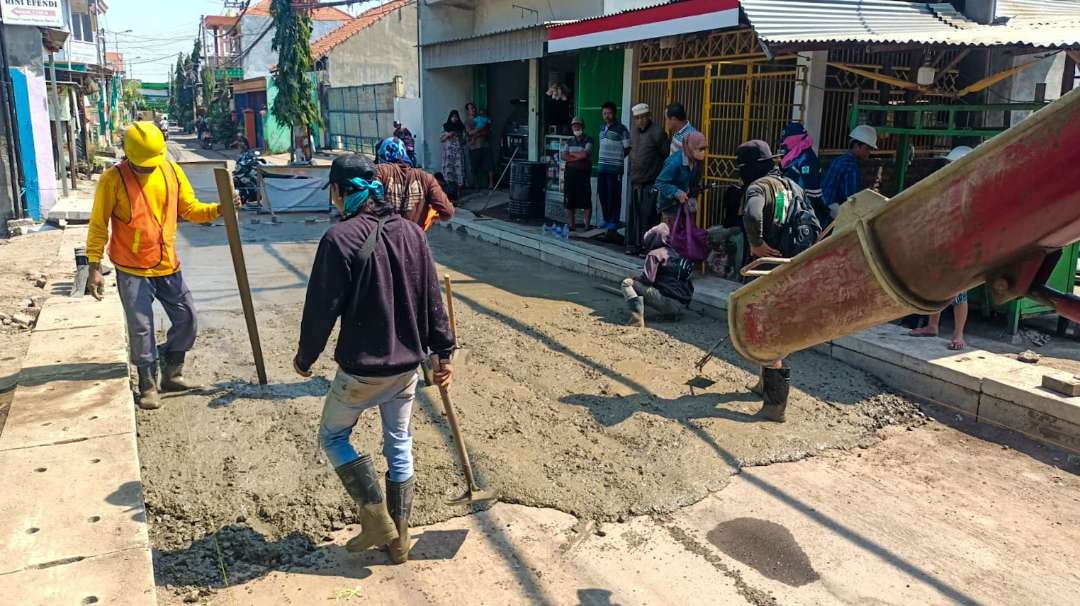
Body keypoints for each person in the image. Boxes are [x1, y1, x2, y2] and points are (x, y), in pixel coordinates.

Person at [294, 153, 456, 564]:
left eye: (333, 192)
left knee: (332, 437)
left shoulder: (339, 239)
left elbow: (321, 308)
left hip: (361, 369)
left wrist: (305, 358)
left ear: (341, 192)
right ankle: (398, 540)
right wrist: (444, 352)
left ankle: (376, 518)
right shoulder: (413, 234)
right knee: (399, 444)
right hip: (406, 369)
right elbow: (431, 298)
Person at [86, 122, 238, 410]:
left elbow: (190, 209)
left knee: (188, 318)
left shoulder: (171, 171)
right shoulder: (112, 179)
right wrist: (95, 266)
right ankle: (146, 383)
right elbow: (98, 225)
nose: (147, 169)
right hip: (131, 267)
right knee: (141, 326)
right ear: (128, 155)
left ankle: (171, 371)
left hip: (167, 262)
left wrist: (220, 209)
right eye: (142, 164)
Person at [737, 139, 820, 423]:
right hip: (791, 266)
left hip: (768, 267)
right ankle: (764, 385)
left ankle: (775, 405)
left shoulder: (758, 187)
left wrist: (756, 244)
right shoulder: (791, 185)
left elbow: (751, 214)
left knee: (768, 329)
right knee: (774, 327)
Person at [908, 145, 974, 350]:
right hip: (943, 238)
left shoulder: (970, 188)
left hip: (960, 242)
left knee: (958, 291)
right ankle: (932, 325)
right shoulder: (951, 186)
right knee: (935, 284)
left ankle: (958, 334)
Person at [621, 221, 694, 324]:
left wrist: (634, 278)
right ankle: (670, 314)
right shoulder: (674, 252)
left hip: (669, 304)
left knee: (627, 283)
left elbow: (648, 280)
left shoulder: (654, 254)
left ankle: (636, 318)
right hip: (682, 304)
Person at [375, 137, 454, 231]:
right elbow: (447, 212)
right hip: (415, 241)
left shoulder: (380, 171)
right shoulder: (426, 178)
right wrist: (429, 215)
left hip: (386, 239)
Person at [626, 103, 669, 255]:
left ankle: (648, 247)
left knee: (648, 217)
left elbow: (666, 156)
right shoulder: (633, 132)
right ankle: (634, 245)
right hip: (636, 181)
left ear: (649, 116)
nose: (641, 120)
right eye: (637, 118)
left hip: (651, 182)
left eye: (643, 117)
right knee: (635, 216)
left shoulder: (658, 132)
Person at [821, 125, 877, 222]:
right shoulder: (851, 167)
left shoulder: (839, 160)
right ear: (856, 146)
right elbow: (852, 199)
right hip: (832, 216)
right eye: (867, 149)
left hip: (823, 210)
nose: (869, 153)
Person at [779, 122, 826, 224]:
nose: (784, 144)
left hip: (803, 213)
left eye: (787, 140)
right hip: (791, 207)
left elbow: (813, 193)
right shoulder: (794, 155)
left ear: (795, 139)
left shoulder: (807, 159)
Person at [655, 130, 707, 217]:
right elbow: (660, 182)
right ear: (691, 147)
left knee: (688, 229)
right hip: (669, 206)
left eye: (705, 149)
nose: (703, 152)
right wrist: (677, 192)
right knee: (672, 230)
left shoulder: (696, 161)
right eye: (700, 149)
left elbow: (693, 182)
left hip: (686, 204)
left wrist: (694, 191)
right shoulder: (675, 162)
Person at [596, 101, 631, 231]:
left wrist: (617, 159)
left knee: (613, 195)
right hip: (602, 168)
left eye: (609, 113)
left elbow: (627, 148)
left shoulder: (621, 129)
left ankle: (614, 220)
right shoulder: (601, 128)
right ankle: (606, 219)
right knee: (603, 194)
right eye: (604, 113)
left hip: (615, 169)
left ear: (614, 113)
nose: (607, 116)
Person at [561, 116, 594, 230]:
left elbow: (585, 154)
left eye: (578, 125)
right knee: (570, 200)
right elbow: (563, 156)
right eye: (574, 125)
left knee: (586, 200)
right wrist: (578, 156)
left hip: (583, 174)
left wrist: (572, 156)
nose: (576, 127)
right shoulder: (569, 141)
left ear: (582, 127)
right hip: (570, 174)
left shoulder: (588, 139)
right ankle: (571, 225)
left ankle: (587, 226)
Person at [465, 102, 492, 190]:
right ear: (467, 111)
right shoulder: (468, 121)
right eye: (471, 108)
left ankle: (491, 184)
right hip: (474, 147)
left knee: (489, 165)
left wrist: (476, 133)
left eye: (474, 108)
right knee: (474, 167)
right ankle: (476, 185)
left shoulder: (482, 118)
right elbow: (470, 133)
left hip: (484, 145)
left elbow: (487, 130)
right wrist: (480, 129)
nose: (473, 110)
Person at [440, 110, 466, 198]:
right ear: (450, 117)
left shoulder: (461, 127)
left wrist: (458, 135)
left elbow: (465, 140)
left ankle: (459, 192)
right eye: (453, 117)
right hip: (448, 155)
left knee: (459, 173)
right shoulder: (445, 126)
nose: (454, 118)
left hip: (458, 154)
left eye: (456, 117)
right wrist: (448, 135)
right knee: (448, 173)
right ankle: (450, 192)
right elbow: (441, 139)